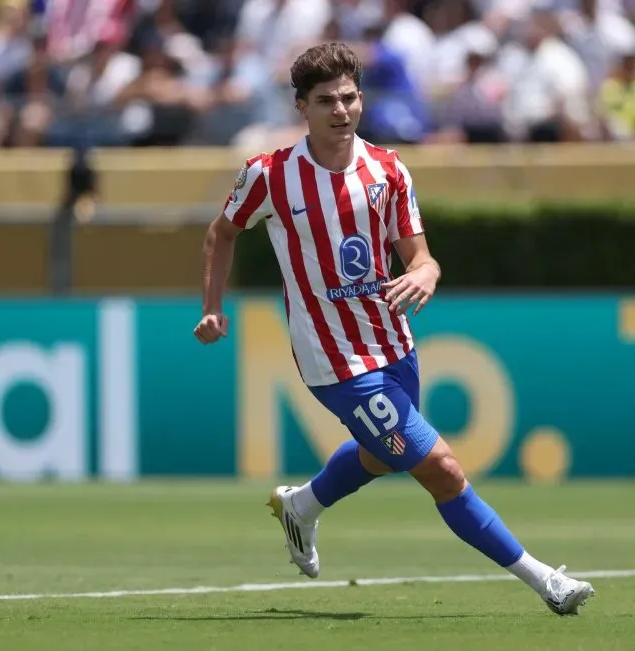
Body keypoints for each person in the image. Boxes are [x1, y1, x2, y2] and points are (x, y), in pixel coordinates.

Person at [193, 42, 595, 616]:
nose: (341, 110)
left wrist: (425, 275)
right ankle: (544, 581)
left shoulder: (388, 169)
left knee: (383, 456)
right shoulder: (270, 175)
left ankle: (302, 506)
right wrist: (212, 307)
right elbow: (221, 233)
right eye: (326, 100)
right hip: (332, 360)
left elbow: (422, 257)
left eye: (350, 97)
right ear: (301, 107)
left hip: (392, 341)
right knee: (442, 468)